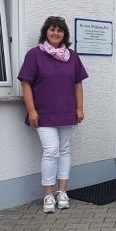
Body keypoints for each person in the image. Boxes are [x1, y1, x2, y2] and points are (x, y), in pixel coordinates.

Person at [18, 16, 88, 213]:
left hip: (67, 111)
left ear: (64, 34)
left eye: (59, 30)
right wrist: (31, 110)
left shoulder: (72, 56)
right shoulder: (34, 55)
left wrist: (79, 108)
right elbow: (26, 83)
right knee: (51, 150)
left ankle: (62, 192)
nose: (55, 33)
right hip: (44, 113)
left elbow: (78, 83)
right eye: (52, 30)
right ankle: (48, 194)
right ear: (45, 32)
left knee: (64, 150)